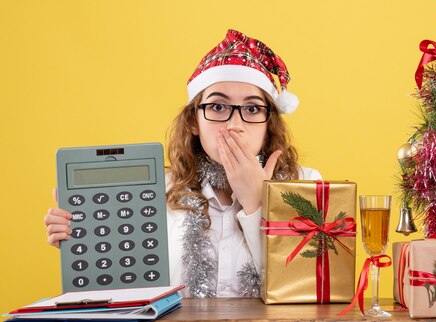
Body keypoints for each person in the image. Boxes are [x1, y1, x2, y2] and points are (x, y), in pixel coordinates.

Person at [44, 29, 322, 298]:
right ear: (193, 122)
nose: (234, 125)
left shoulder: (306, 184)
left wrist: (257, 204)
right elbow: (129, 295)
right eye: (217, 106)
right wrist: (89, 245)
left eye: (252, 108)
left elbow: (309, 288)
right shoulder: (154, 192)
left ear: (269, 123)